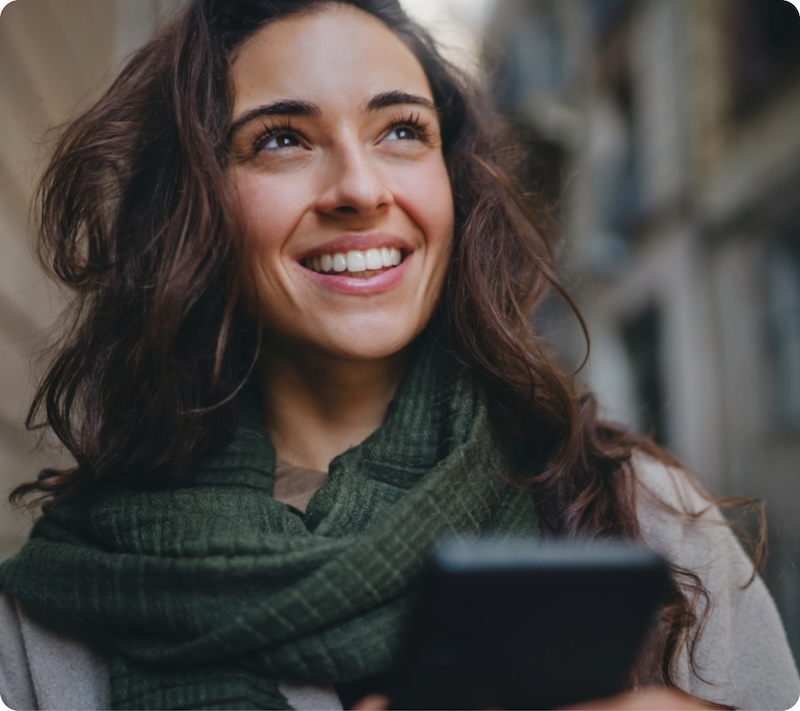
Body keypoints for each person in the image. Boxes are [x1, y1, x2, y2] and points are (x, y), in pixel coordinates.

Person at [0, 0, 798, 709]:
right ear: (190, 207)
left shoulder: (641, 512)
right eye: (281, 138)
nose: (360, 186)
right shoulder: (58, 607)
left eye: (402, 131)